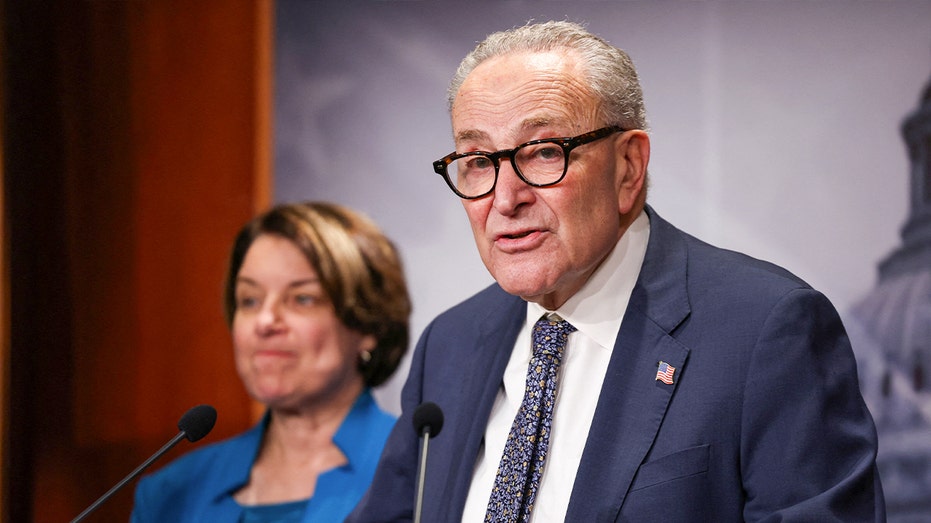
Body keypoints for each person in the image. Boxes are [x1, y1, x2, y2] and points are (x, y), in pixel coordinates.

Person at [349, 20, 884, 522]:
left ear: (628, 166)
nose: (504, 198)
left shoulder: (765, 331)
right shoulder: (450, 344)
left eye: (541, 152)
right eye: (478, 162)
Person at [131, 201, 411, 522]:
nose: (265, 321)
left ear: (367, 324)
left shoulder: (422, 471)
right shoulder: (170, 493)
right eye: (250, 300)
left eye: (302, 299)